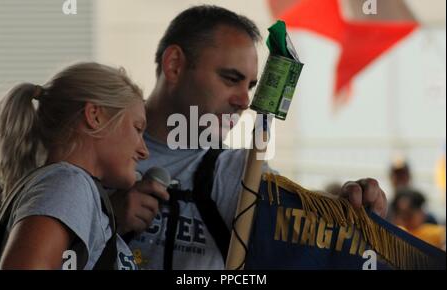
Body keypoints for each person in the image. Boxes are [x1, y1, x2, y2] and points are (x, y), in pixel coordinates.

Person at [111, 5, 388, 270]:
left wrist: (347, 208)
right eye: (231, 79)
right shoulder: (93, 145)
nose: (244, 101)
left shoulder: (239, 172)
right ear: (174, 65)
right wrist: (105, 220)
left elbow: (299, 219)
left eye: (251, 86)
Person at [0, 62, 168, 269]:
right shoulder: (68, 184)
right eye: (137, 128)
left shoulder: (69, 187)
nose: (144, 151)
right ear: (94, 116)